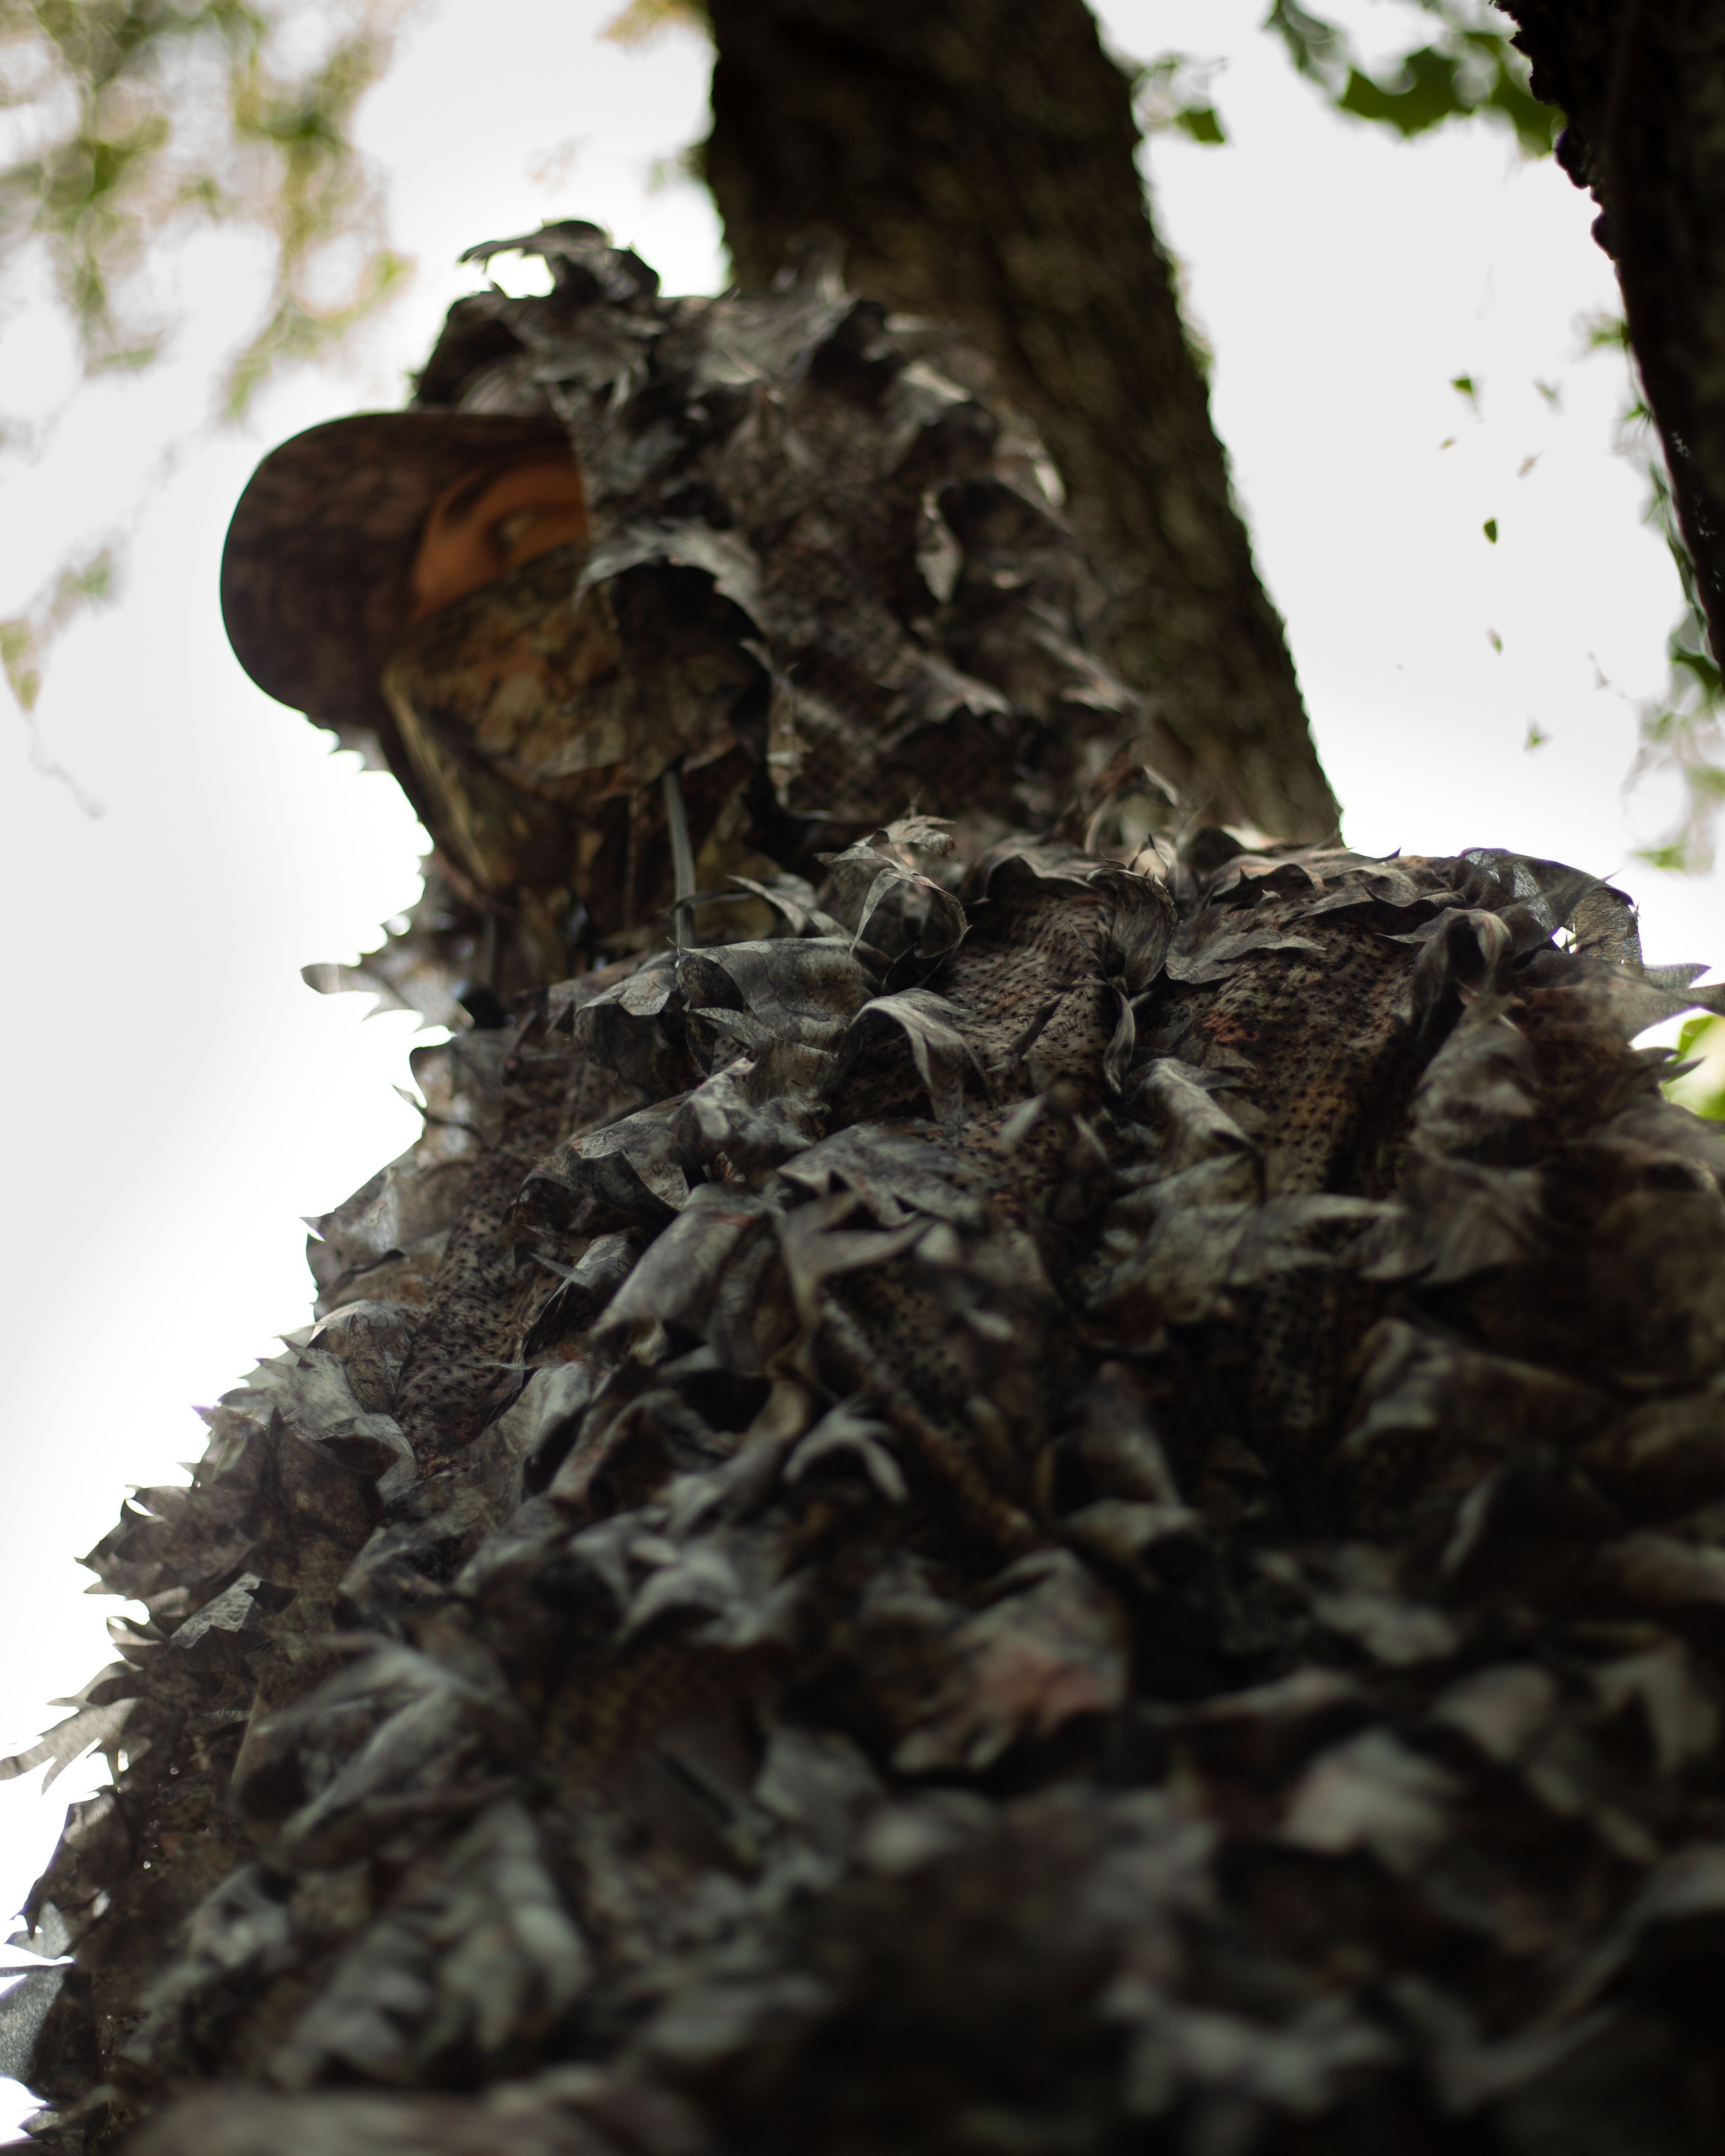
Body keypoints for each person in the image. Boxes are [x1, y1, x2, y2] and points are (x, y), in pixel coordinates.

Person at [17, 221, 1725, 2156]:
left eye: (512, 543)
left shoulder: (1264, 991)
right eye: (412, 643)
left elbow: (1636, 1684)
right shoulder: (380, 1358)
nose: (451, 669)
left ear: (777, 522)